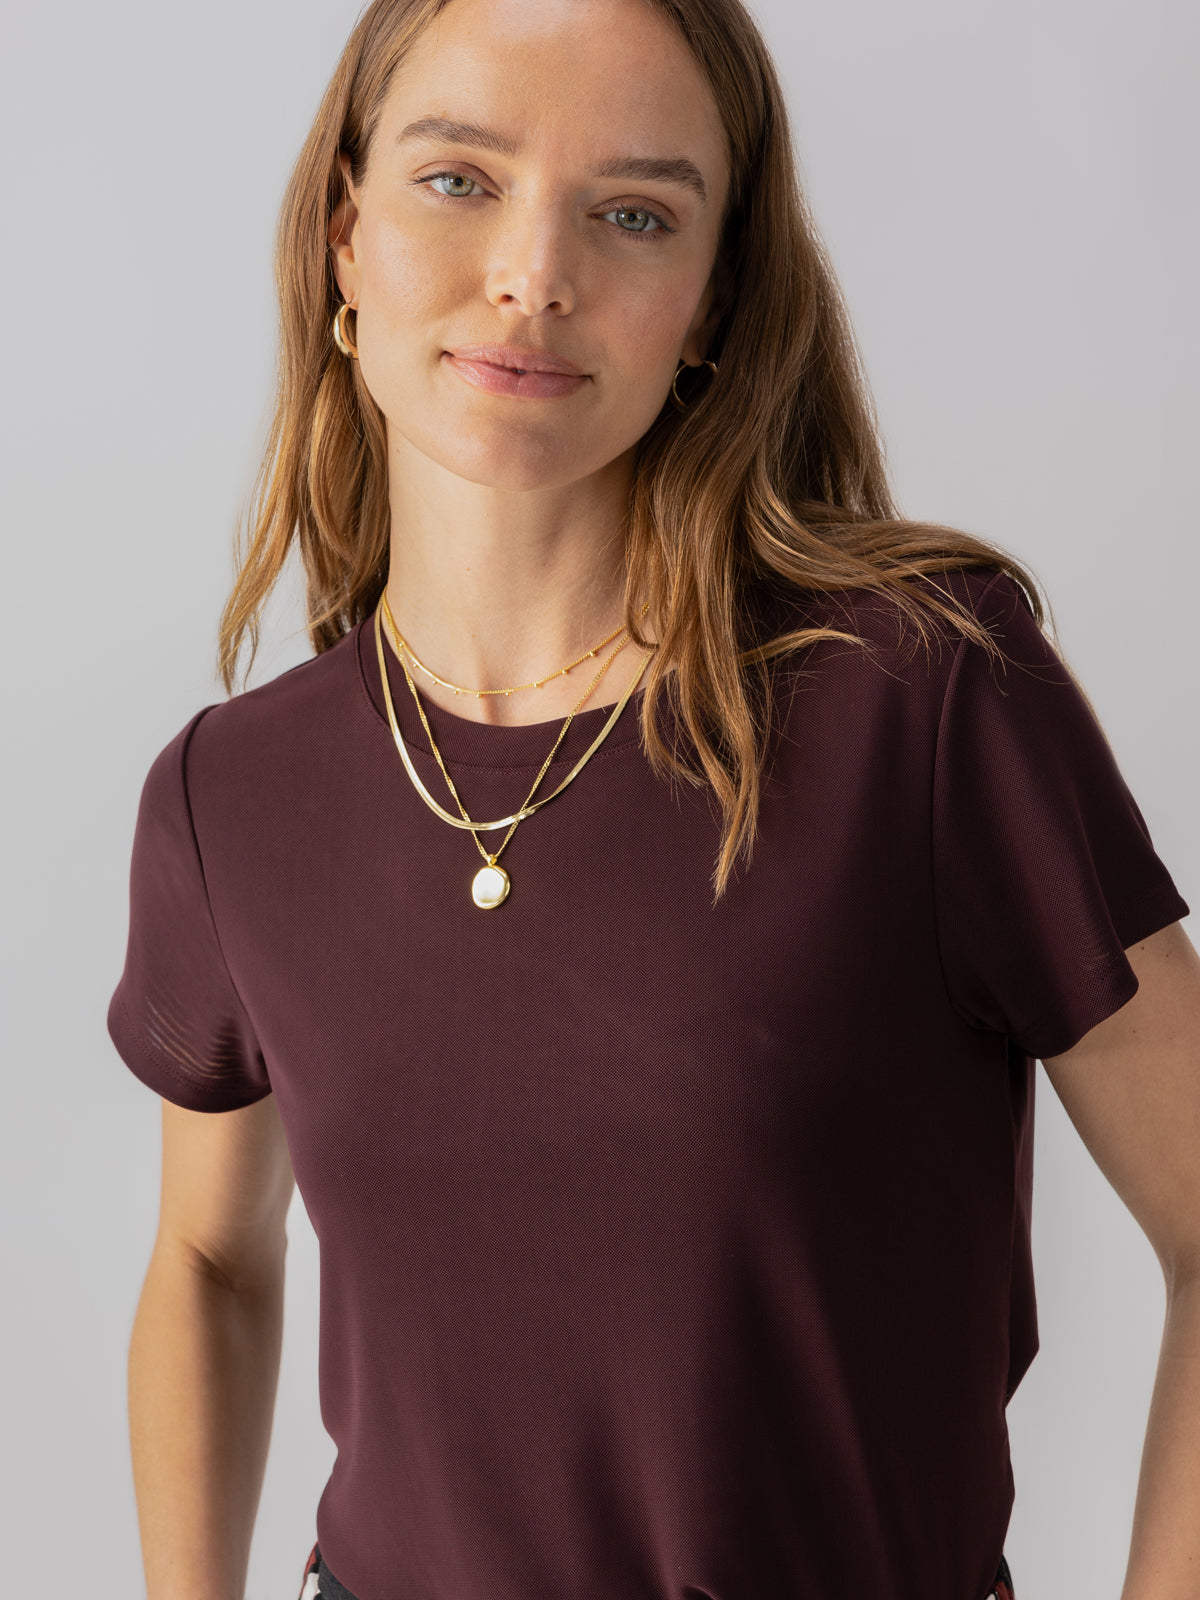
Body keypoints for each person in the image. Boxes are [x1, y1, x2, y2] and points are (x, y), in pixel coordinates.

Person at [105, 1, 1200, 1598]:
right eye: (459, 179)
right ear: (346, 237)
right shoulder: (232, 794)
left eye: (633, 213)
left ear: (711, 303)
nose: (533, 273)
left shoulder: (923, 700)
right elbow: (207, 1255)